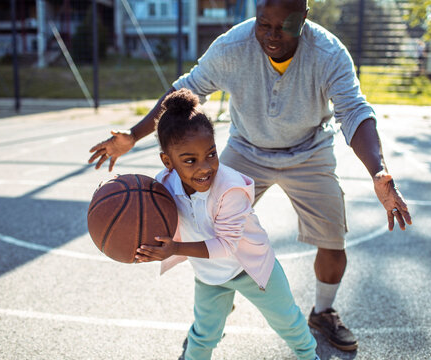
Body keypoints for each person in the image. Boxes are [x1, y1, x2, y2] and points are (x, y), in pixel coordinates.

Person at [88, 0, 412, 352]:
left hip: (309, 151)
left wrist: (377, 170)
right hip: (247, 148)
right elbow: (187, 90)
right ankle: (216, 306)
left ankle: (322, 311)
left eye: (284, 26)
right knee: (210, 228)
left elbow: (354, 111)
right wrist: (134, 136)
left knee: (333, 240)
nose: (272, 35)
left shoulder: (329, 53)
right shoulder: (233, 46)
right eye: (263, 24)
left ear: (305, 17)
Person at [134, 88, 319, 360]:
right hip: (210, 276)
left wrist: (174, 248)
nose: (205, 167)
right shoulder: (163, 183)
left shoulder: (230, 188)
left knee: (287, 322)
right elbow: (148, 214)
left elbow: (226, 245)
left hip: (252, 269)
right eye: (190, 160)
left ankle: (310, 355)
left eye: (211, 154)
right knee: (203, 334)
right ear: (167, 162)